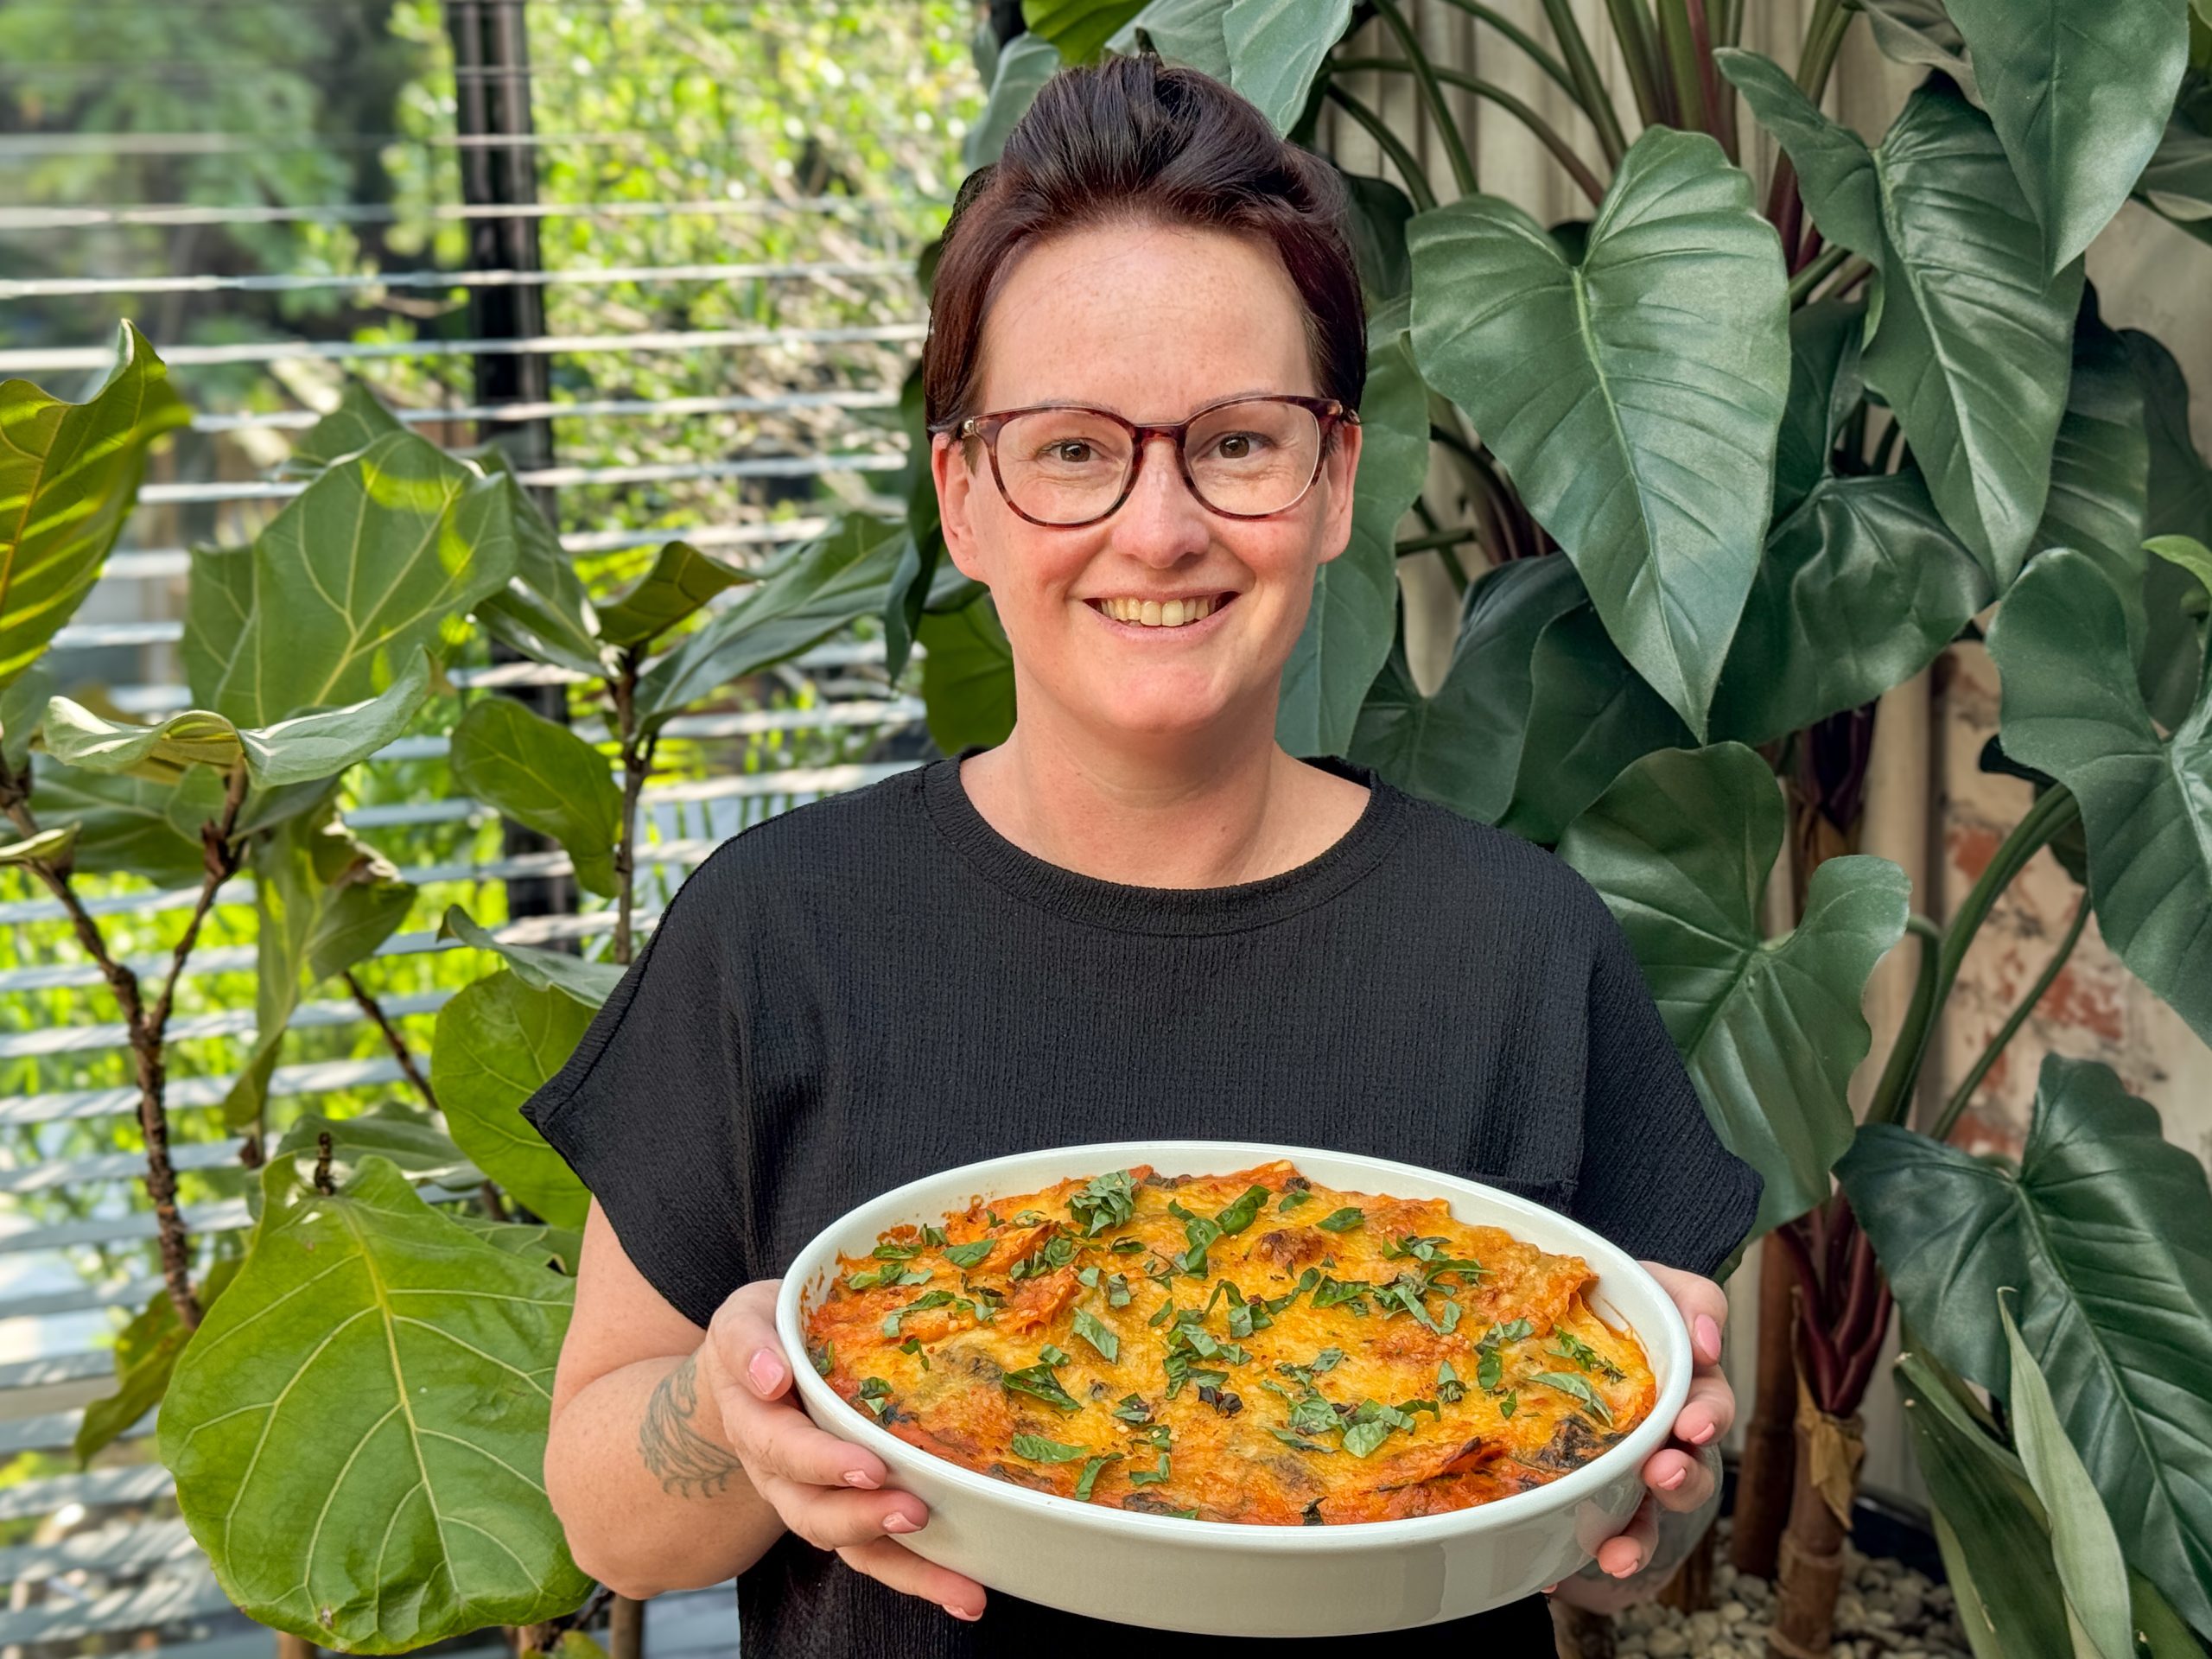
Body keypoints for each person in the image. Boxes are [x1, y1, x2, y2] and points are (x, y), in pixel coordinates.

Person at [519, 50, 1760, 1658]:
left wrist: (1658, 1489)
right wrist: (732, 1405)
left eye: (1237, 443)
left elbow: (1630, 1522)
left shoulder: (1521, 941)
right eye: (1072, 448)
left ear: (1335, 484)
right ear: (965, 499)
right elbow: (604, 1512)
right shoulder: (779, 929)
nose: (1160, 528)